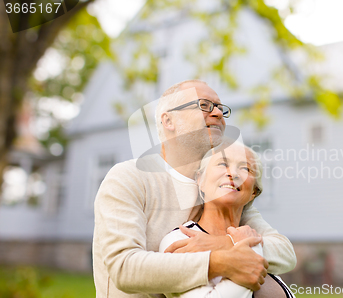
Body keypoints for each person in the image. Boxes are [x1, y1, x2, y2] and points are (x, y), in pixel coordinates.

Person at [93, 80, 296, 297]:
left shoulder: (222, 189)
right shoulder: (129, 177)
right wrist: (219, 261)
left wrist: (223, 243)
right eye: (204, 105)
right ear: (169, 120)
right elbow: (124, 268)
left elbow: (284, 252)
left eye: (220, 107)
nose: (218, 113)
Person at [159, 142, 295, 298]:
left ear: (254, 192)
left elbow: (288, 255)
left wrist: (234, 242)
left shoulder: (251, 235)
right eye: (222, 164)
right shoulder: (181, 240)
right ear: (200, 180)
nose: (233, 173)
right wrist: (249, 247)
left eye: (245, 168)